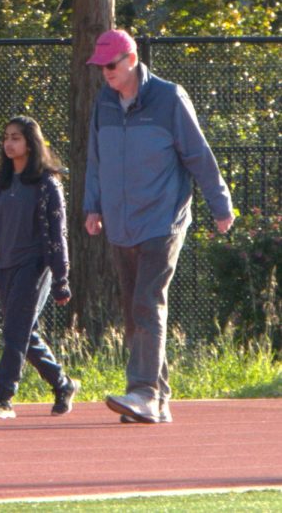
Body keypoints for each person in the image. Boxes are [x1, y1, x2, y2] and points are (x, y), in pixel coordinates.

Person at [84, 29, 234, 424]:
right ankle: (159, 400)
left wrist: (219, 203)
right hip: (121, 223)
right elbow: (96, 159)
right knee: (134, 312)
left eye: (111, 65)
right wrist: (93, 205)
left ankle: (143, 392)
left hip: (162, 219)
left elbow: (198, 154)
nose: (106, 73)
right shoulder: (104, 102)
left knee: (147, 302)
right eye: (101, 67)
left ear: (132, 59)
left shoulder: (169, 98)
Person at [0, 116, 78, 420]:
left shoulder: (48, 184)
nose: (9, 143)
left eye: (16, 137)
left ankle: (3, 397)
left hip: (33, 267)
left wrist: (61, 278)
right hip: (5, 266)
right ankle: (62, 384)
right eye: (6, 137)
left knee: (14, 331)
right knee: (24, 333)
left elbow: (58, 235)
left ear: (31, 143)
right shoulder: (3, 183)